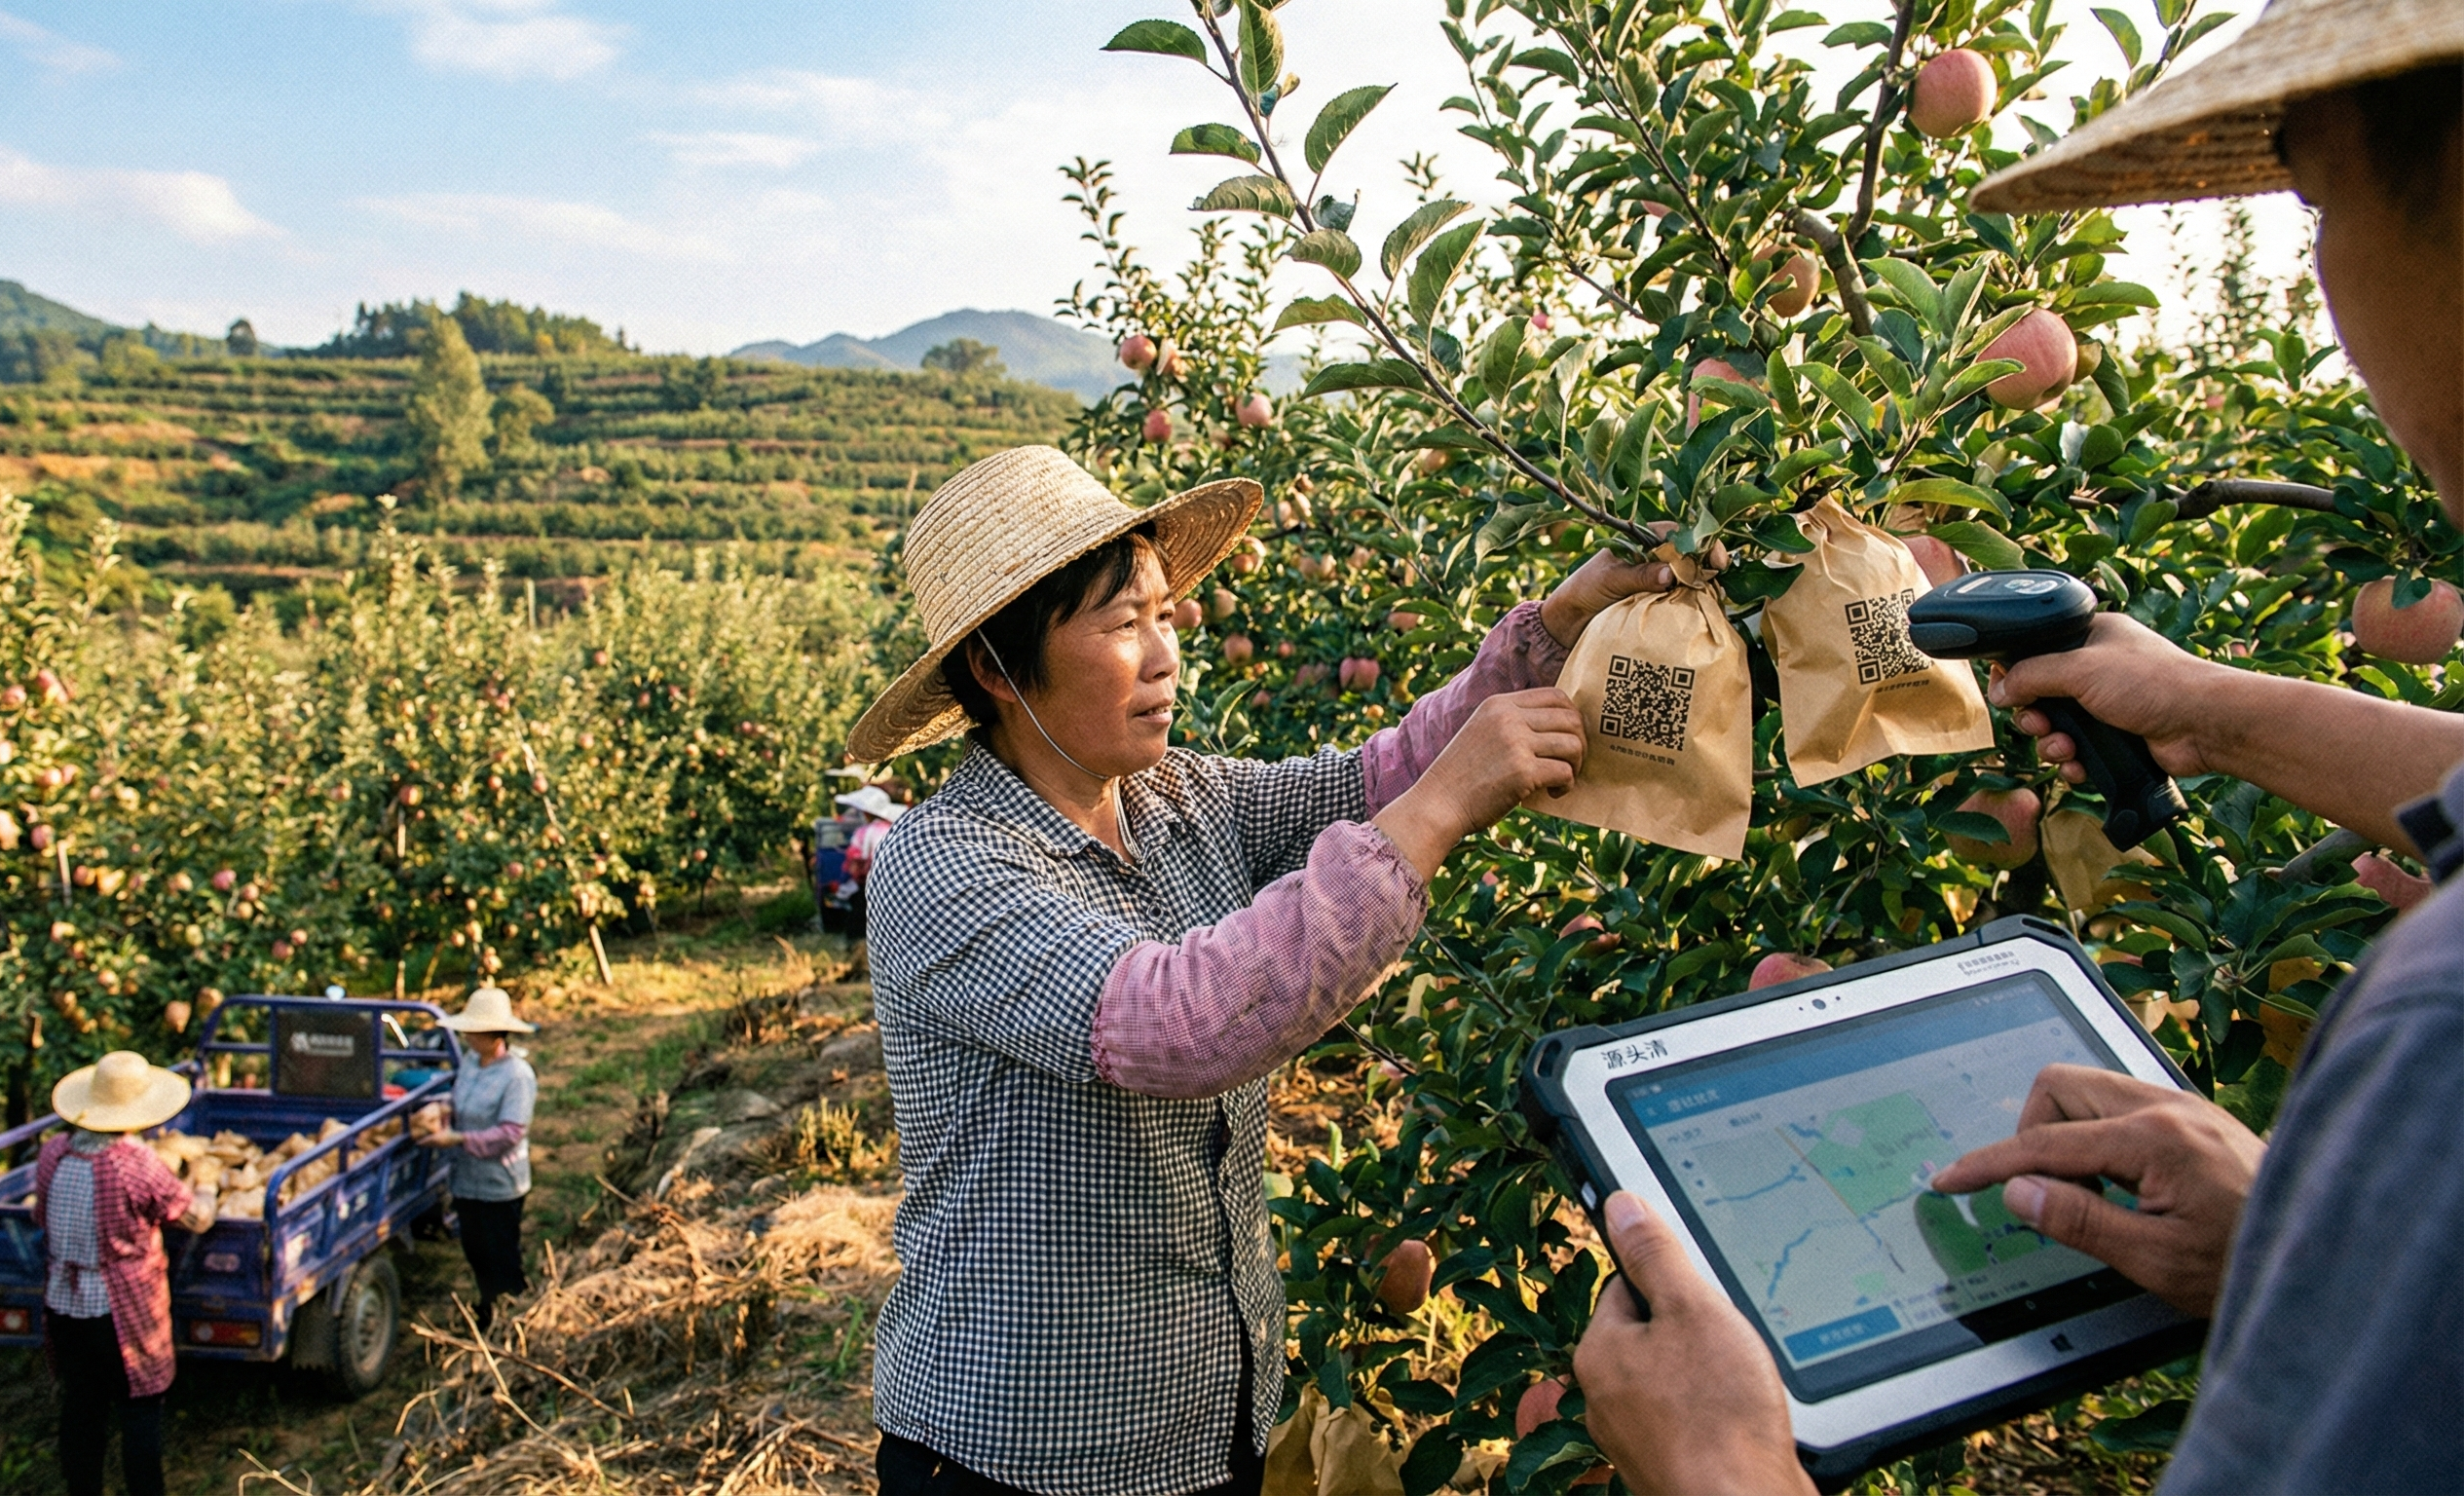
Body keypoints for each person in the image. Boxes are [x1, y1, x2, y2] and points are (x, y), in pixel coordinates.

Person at [1569, 7, 2464, 1492]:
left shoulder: (2436, 1036)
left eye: (2315, 197)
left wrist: (1728, 1471)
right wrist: (2300, 1248)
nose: (2323, 273)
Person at [847, 444, 1674, 1494]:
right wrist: (1443, 809)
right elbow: (1179, 1022)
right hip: (1026, 1454)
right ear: (994, 670)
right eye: (1118, 625)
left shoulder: (1182, 799)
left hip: (1208, 1424)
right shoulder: (945, 863)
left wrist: (1553, 626)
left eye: (1163, 616)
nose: (1163, 657)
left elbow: (1379, 775)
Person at [35, 1050, 218, 1496]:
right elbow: (193, 1217)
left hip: (64, 1302)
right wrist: (208, 1182)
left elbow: (41, 1215)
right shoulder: (133, 1164)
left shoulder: (54, 1153)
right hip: (122, 1312)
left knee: (82, 1407)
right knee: (140, 1408)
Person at [417, 986, 541, 1319]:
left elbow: (510, 1133)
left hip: (499, 1182)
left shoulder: (517, 1076)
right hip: (466, 1178)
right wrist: (441, 1114)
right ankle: (488, 1305)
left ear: (495, 1034)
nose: (468, 1037)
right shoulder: (471, 1064)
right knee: (475, 1249)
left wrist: (457, 1140)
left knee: (501, 1252)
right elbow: (459, 1101)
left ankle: (512, 1313)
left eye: (475, 1032)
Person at [833, 784, 904, 945]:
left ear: (865, 812)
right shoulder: (894, 829)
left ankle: (857, 954)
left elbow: (854, 865)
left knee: (858, 924)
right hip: (894, 888)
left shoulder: (863, 833)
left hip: (867, 887)